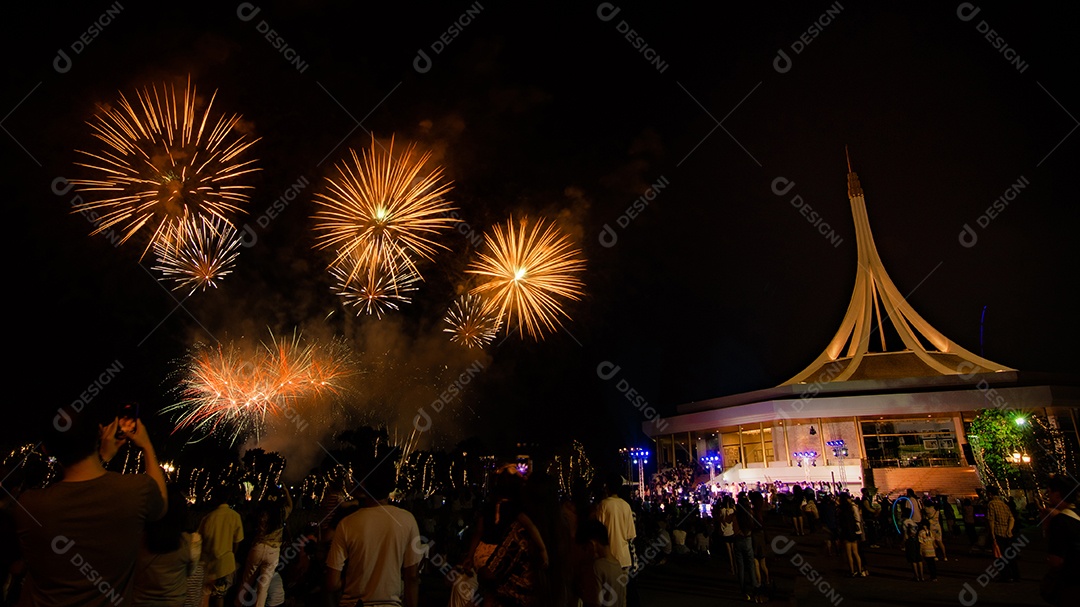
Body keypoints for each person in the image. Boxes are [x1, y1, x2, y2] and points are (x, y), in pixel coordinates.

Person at [16, 401, 167, 606]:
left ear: (46, 448)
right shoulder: (135, 491)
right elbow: (162, 503)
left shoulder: (29, 506)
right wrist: (147, 446)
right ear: (99, 431)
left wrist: (102, 457)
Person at [325, 455, 420, 607]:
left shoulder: (346, 524)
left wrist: (352, 578)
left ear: (365, 485)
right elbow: (412, 577)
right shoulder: (407, 520)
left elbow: (332, 583)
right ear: (391, 485)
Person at [133, 486, 198, 606]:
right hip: (173, 602)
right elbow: (190, 572)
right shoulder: (192, 541)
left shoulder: (137, 538)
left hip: (140, 601)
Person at [236, 484, 293, 607]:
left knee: (246, 582)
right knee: (263, 589)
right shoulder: (282, 512)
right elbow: (290, 506)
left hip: (258, 547)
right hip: (273, 551)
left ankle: (237, 604)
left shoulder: (260, 511)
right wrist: (286, 492)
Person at [199, 486, 245, 607]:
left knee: (205, 596)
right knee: (220, 596)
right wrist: (232, 555)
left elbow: (200, 540)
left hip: (208, 564)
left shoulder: (208, 518)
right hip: (225, 564)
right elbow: (237, 540)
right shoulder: (235, 516)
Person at [1040, 474, 1080, 605]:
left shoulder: (1060, 522)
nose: (1048, 496)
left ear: (1057, 494)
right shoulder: (1076, 514)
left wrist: (1047, 528)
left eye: (1049, 492)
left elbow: (1056, 561)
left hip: (1070, 583)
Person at [575, 520, 625, 607]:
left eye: (584, 548)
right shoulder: (618, 566)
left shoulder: (596, 567)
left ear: (592, 544)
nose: (585, 553)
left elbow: (592, 603)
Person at [595, 474, 636, 573]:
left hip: (608, 556)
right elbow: (630, 535)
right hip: (624, 558)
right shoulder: (626, 506)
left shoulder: (603, 505)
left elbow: (598, 531)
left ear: (607, 487)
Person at [985, 485, 1019, 582]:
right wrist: (1009, 530)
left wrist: (992, 534)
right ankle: (1016, 575)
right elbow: (1012, 518)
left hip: (998, 532)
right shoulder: (1004, 504)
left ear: (990, 494)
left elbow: (990, 520)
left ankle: (1006, 575)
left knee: (1000, 556)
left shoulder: (991, 504)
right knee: (1010, 556)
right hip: (1008, 534)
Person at [837, 494, 866, 577]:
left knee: (849, 554)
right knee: (856, 553)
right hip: (853, 532)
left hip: (846, 533)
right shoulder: (851, 508)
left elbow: (840, 523)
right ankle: (860, 571)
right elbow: (856, 519)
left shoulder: (840, 510)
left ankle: (852, 571)